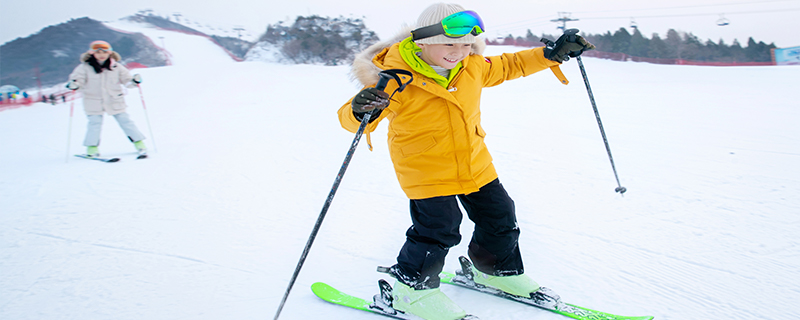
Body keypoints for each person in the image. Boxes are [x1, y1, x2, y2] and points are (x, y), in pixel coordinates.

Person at [337, 3, 594, 320]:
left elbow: (510, 64)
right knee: (438, 228)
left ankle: (494, 270)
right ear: (423, 41)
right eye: (449, 43)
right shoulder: (396, 80)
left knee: (500, 215)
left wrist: (551, 54)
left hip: (475, 163)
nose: (458, 52)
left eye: (465, 44)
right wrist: (360, 109)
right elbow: (354, 120)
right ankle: (409, 290)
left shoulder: (473, 66)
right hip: (426, 169)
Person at [66, 40, 147, 158]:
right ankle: (92, 148)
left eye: (105, 52)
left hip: (114, 99)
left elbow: (127, 80)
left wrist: (134, 81)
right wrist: (75, 85)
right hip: (93, 100)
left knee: (125, 121)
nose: (101, 55)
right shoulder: (84, 68)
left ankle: (139, 143)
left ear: (110, 53)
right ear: (92, 53)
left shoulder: (116, 66)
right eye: (98, 52)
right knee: (95, 124)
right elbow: (78, 81)